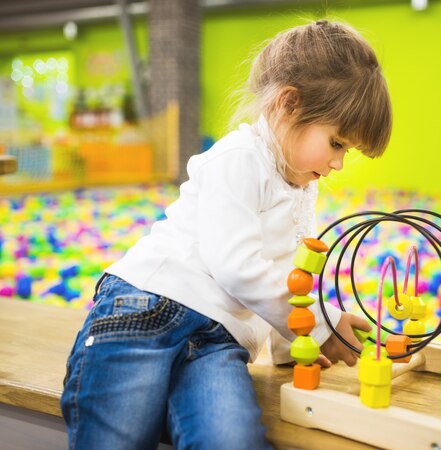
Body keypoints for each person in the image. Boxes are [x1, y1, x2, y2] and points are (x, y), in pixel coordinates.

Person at [61, 19, 392, 450]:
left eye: (346, 151)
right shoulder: (239, 158)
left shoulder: (301, 190)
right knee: (116, 437)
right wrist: (319, 323)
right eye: (336, 143)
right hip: (148, 308)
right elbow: (237, 268)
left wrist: (300, 346)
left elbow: (281, 279)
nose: (338, 164)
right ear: (288, 105)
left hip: (218, 343)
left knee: (231, 440)